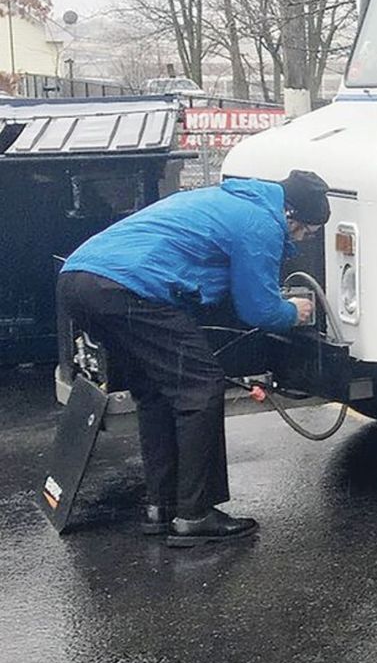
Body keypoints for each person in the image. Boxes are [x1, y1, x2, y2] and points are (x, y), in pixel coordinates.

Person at [56, 170, 331, 547]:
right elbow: (259, 310)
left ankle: (162, 505)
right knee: (200, 388)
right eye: (306, 231)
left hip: (80, 281)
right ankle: (195, 515)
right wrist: (292, 311)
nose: (302, 241)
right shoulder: (261, 223)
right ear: (291, 214)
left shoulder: (230, 201)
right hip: (127, 288)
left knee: (155, 392)